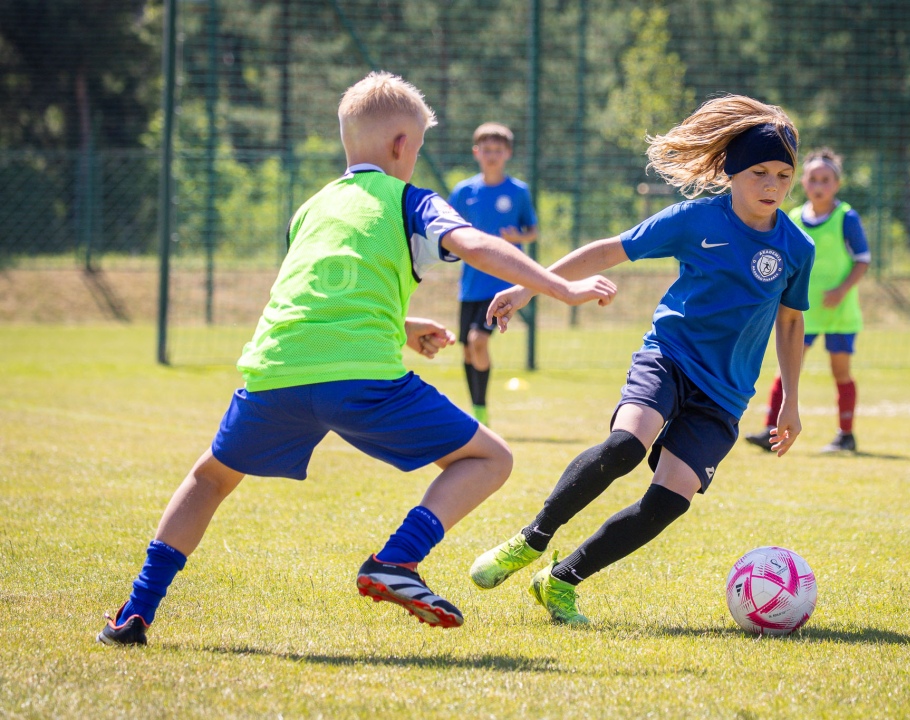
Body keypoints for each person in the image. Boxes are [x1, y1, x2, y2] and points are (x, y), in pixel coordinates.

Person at [97, 71, 616, 645]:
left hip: (277, 373)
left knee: (209, 479)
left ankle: (134, 614)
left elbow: (319, 302)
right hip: (364, 381)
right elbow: (475, 244)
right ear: (401, 145)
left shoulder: (311, 209)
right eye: (416, 148)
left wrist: (403, 325)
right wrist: (558, 287)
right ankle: (398, 559)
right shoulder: (409, 199)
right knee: (489, 459)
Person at [468, 95, 815, 624]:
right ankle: (531, 540)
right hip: (669, 357)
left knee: (668, 502)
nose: (771, 186)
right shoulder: (696, 218)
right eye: (759, 172)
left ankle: (561, 581)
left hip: (725, 394)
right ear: (731, 171)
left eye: (783, 175)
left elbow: (790, 322)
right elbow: (611, 249)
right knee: (626, 445)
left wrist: (790, 401)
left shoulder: (797, 247)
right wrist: (528, 289)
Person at [744, 148, 869, 454]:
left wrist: (841, 290)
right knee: (787, 369)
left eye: (826, 179)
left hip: (839, 312)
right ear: (803, 183)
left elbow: (862, 260)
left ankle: (846, 435)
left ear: (836, 184)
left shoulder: (846, 217)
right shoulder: (794, 218)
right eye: (813, 179)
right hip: (801, 311)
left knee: (840, 371)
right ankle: (771, 429)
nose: (819, 185)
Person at [449, 123, 538, 426]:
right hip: (471, 285)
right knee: (467, 350)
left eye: (497, 150)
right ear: (477, 153)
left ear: (507, 154)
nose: (491, 155)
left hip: (503, 283)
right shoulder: (464, 192)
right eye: (486, 150)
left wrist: (518, 237)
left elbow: (533, 231)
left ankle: (482, 414)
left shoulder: (518, 192)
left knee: (478, 341)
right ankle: (477, 411)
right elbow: (448, 228)